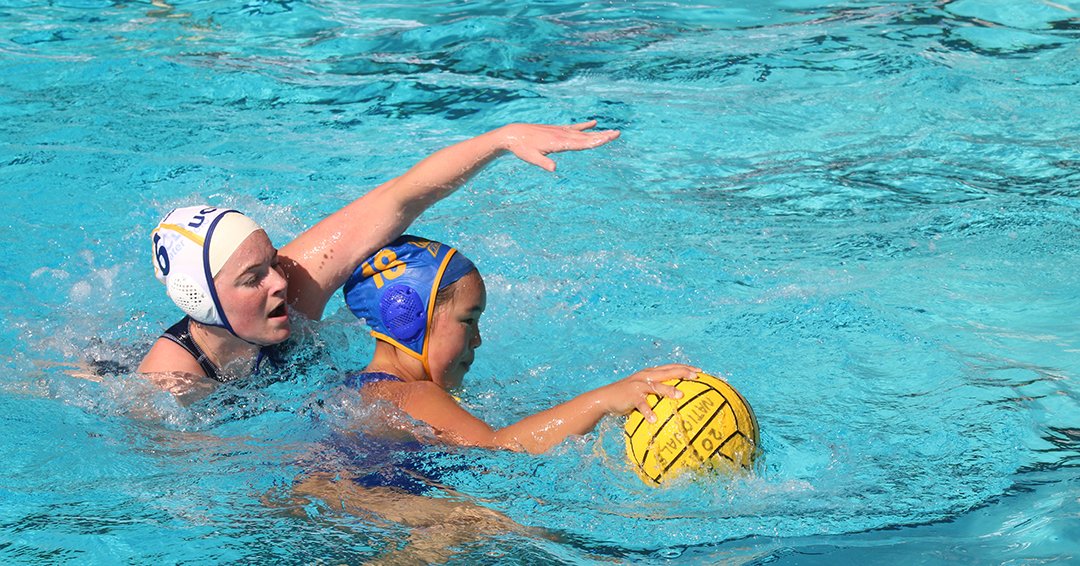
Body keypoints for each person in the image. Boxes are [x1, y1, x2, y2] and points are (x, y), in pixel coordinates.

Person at [136, 121, 620, 398]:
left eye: (271, 262)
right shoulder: (172, 387)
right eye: (252, 278)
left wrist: (501, 139)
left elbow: (397, 200)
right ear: (201, 301)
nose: (279, 282)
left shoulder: (291, 285)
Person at [340, 235, 701, 454]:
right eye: (469, 320)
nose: (478, 340)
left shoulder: (358, 388)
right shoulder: (416, 396)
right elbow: (498, 448)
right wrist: (603, 400)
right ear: (409, 319)